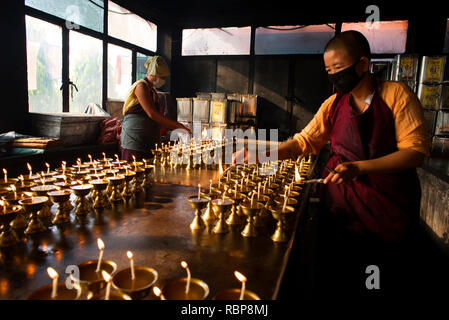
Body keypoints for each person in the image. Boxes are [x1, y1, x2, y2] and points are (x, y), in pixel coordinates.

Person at [234, 31, 430, 292]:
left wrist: (360, 167)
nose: (334, 76)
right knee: (338, 272)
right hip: (342, 205)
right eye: (328, 70)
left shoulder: (396, 95)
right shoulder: (333, 105)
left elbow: (415, 151)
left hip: (386, 209)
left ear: (362, 64)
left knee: (383, 275)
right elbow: (303, 142)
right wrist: (260, 155)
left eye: (338, 68)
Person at [120, 56, 191, 161]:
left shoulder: (152, 91)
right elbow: (152, 114)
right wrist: (178, 126)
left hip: (147, 141)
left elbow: (157, 118)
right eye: (162, 77)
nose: (163, 81)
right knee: (135, 170)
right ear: (153, 75)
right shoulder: (141, 86)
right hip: (135, 140)